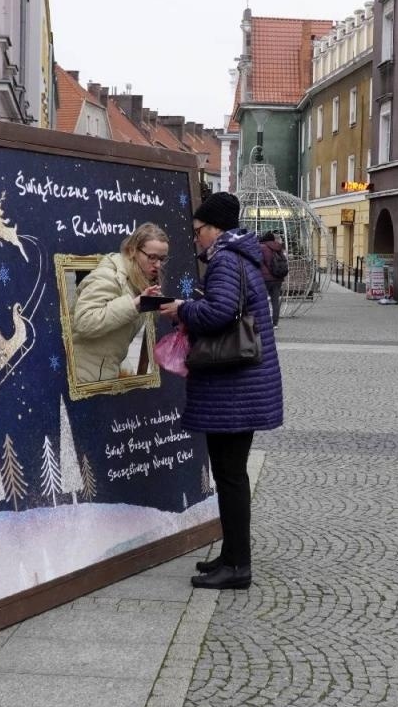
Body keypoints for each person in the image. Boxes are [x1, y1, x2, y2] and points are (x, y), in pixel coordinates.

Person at [158, 192, 282, 590]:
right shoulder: (241, 256)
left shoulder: (226, 259)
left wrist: (182, 309)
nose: (195, 239)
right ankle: (231, 555)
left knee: (229, 477)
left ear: (215, 229)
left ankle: (238, 567)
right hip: (240, 386)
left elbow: (220, 312)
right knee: (231, 475)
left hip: (233, 387)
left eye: (198, 231)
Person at [68, 223, 167, 384]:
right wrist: (134, 305)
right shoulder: (109, 276)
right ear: (133, 251)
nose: (157, 265)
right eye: (152, 257)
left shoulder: (139, 284)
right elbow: (84, 321)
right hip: (83, 375)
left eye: (162, 259)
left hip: (104, 374)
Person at [258, 230, 289, 327]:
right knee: (275, 300)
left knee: (261, 301)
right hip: (277, 278)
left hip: (265, 278)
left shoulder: (261, 247)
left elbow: (258, 261)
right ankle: (275, 323)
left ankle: (263, 321)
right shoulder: (278, 247)